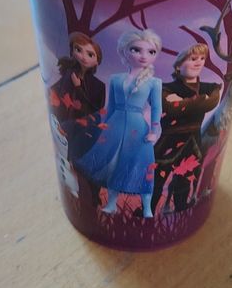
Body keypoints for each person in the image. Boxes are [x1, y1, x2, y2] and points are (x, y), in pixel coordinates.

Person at [77, 29, 162, 218]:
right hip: (115, 126)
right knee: (115, 164)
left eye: (151, 52)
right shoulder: (116, 79)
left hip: (138, 129)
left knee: (142, 165)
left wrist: (155, 131)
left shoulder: (154, 83)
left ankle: (147, 208)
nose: (143, 56)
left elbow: (157, 108)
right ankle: (111, 204)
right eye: (136, 50)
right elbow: (111, 106)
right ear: (125, 51)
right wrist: (104, 127)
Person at [153, 42, 221, 213]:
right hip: (169, 142)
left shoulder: (210, 87)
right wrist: (200, 100)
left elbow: (212, 102)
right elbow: (172, 108)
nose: (198, 62)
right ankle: (149, 211)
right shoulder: (165, 88)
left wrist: (184, 102)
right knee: (158, 179)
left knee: (184, 179)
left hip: (193, 142)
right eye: (193, 58)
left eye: (202, 58)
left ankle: (181, 209)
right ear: (178, 65)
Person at [49, 32, 106, 161]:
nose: (84, 57)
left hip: (84, 125)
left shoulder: (98, 86)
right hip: (64, 118)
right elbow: (56, 92)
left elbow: (96, 110)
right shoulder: (69, 73)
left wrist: (78, 88)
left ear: (97, 61)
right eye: (78, 50)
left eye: (90, 54)